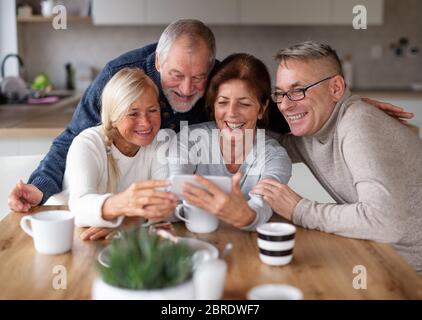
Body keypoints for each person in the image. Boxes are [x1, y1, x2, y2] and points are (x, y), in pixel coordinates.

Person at [8, 19, 410, 214]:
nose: (187, 89)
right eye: (176, 77)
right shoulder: (122, 76)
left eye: (198, 78)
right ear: (157, 61)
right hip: (125, 205)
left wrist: (340, 106)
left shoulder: (219, 85)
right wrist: (40, 186)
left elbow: (274, 115)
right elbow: (76, 136)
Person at [251, 41, 422, 273]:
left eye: (298, 90)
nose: (285, 105)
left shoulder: (357, 123)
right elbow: (264, 148)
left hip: (411, 276)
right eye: (280, 93)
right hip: (382, 257)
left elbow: (384, 222)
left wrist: (299, 209)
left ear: (336, 89)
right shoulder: (312, 132)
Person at [47, 67, 178, 240]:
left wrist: (129, 221)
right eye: (133, 113)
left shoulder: (162, 140)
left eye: (152, 110)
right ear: (113, 117)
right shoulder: (88, 143)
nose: (145, 123)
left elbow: (167, 204)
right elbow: (79, 207)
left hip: (115, 237)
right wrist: (125, 204)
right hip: (63, 232)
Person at [168, 53, 292, 230]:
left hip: (249, 247)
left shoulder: (274, 157)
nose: (232, 113)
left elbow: (262, 208)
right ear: (213, 105)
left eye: (244, 103)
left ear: (262, 108)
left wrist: (246, 215)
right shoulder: (188, 140)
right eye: (223, 102)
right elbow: (173, 197)